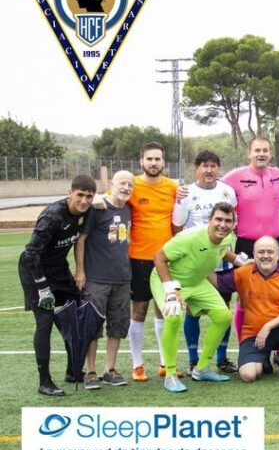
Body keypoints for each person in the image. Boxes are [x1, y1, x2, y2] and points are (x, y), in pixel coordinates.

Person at [150, 202, 246, 392]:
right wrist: (170, 290)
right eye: (218, 219)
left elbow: (221, 250)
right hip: (169, 281)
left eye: (228, 221)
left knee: (223, 317)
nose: (223, 225)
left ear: (233, 224)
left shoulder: (226, 237)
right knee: (173, 317)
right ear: (210, 220)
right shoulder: (189, 237)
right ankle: (170, 375)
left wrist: (239, 261)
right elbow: (159, 258)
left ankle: (201, 369)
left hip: (197, 282)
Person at [19, 175, 96, 396]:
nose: (84, 201)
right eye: (80, 195)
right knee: (45, 321)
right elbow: (31, 254)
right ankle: (45, 382)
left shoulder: (88, 211)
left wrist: (79, 270)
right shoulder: (52, 216)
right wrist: (42, 287)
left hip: (59, 270)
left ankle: (73, 371)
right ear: (70, 192)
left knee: (76, 314)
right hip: (35, 271)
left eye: (89, 196)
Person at [171, 150, 239, 375]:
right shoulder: (186, 193)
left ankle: (222, 357)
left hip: (223, 262)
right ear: (196, 168)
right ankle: (193, 359)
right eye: (204, 166)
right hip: (196, 265)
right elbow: (177, 228)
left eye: (213, 166)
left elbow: (232, 221)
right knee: (193, 311)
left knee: (223, 309)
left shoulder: (227, 191)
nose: (209, 170)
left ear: (219, 168)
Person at [73, 171, 133, 389]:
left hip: (122, 279)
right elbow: (81, 240)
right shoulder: (97, 208)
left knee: (118, 325)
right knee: (92, 326)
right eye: (122, 183)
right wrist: (80, 271)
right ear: (111, 184)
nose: (126, 188)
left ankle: (110, 369)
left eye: (130, 185)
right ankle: (90, 371)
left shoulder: (129, 209)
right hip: (96, 279)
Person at [216, 236, 279, 382]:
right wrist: (200, 265)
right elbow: (218, 283)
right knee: (248, 375)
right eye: (261, 252)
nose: (265, 255)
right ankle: (263, 358)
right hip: (253, 334)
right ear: (254, 254)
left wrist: (267, 326)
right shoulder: (243, 272)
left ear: (278, 254)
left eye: (270, 252)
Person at [126, 142, 178, 382]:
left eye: (157, 159)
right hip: (138, 258)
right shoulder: (132, 185)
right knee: (139, 310)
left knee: (164, 310)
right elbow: (110, 198)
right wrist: (97, 197)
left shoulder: (173, 187)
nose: (154, 163)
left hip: (165, 260)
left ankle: (165, 363)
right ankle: (137, 365)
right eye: (149, 159)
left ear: (163, 162)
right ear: (141, 161)